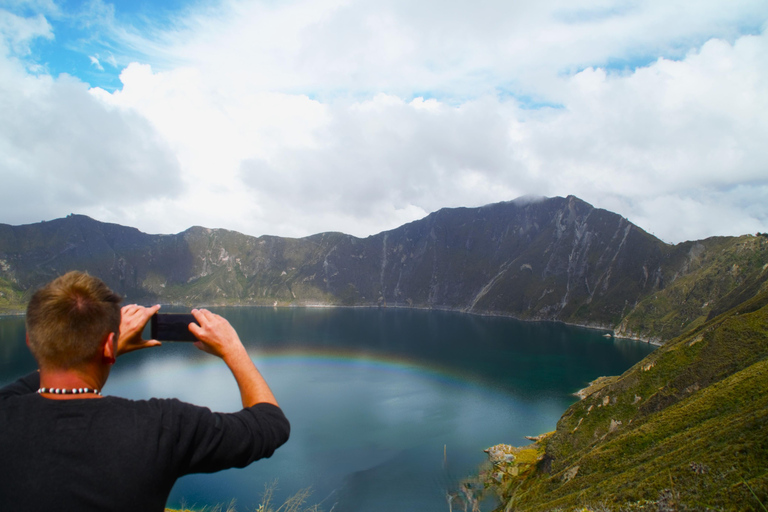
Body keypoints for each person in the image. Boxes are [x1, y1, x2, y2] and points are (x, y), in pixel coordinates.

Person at [0, 271, 290, 511]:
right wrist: (233, 349)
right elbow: (270, 425)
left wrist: (104, 350)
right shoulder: (160, 426)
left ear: (30, 340)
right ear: (107, 345)